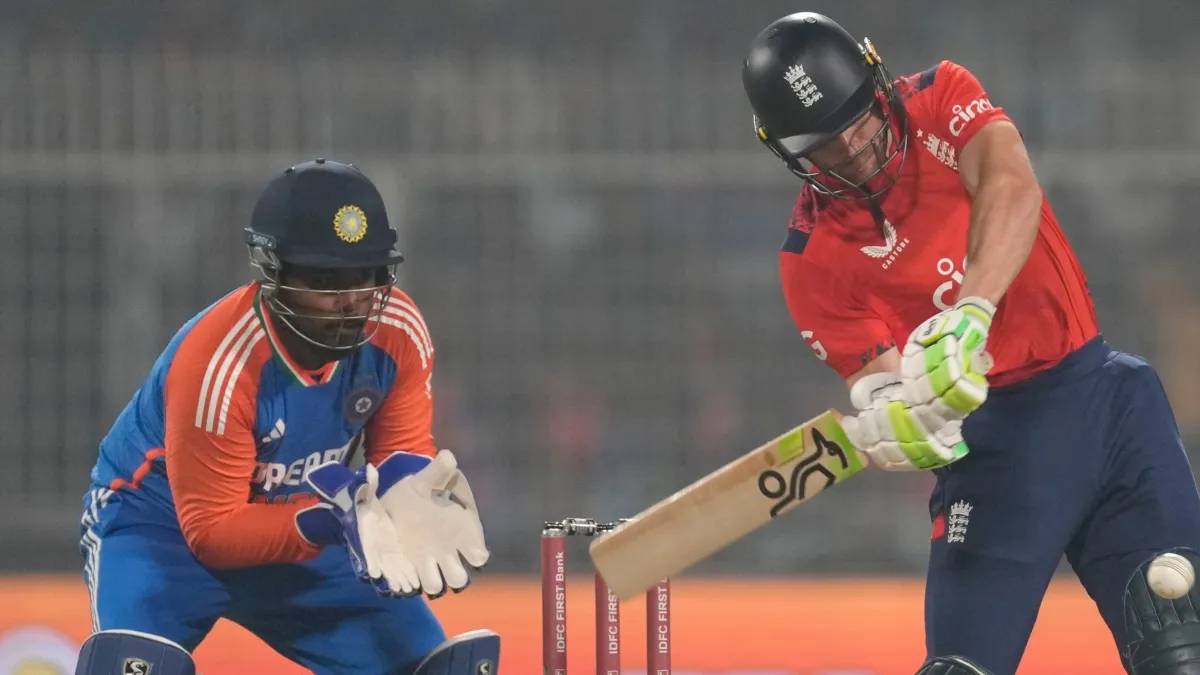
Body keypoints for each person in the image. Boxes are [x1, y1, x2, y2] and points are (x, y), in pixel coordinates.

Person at [741, 11, 1200, 675]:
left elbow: (1013, 187)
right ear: (787, 153)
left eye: (862, 120)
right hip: (996, 455)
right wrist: (907, 417)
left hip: (1110, 408)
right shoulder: (810, 258)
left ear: (878, 81)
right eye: (829, 146)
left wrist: (970, 313)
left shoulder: (943, 99)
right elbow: (881, 380)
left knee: (1180, 644)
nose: (859, 152)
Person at [75, 158, 498, 675]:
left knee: (434, 668)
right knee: (133, 666)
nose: (349, 302)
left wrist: (411, 498)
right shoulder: (221, 363)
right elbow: (211, 530)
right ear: (274, 271)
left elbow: (401, 457)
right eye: (325, 279)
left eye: (364, 277)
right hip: (159, 528)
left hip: (302, 530)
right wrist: (335, 520)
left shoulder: (398, 330)